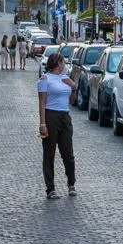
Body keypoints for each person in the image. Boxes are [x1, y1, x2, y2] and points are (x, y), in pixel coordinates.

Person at [37, 53, 77, 199]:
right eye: (63, 62)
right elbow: (42, 102)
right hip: (50, 115)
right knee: (49, 152)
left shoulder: (65, 78)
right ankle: (50, 188)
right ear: (58, 63)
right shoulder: (45, 79)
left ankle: (71, 184)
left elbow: (72, 101)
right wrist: (42, 123)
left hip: (65, 116)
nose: (65, 64)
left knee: (68, 152)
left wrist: (73, 88)